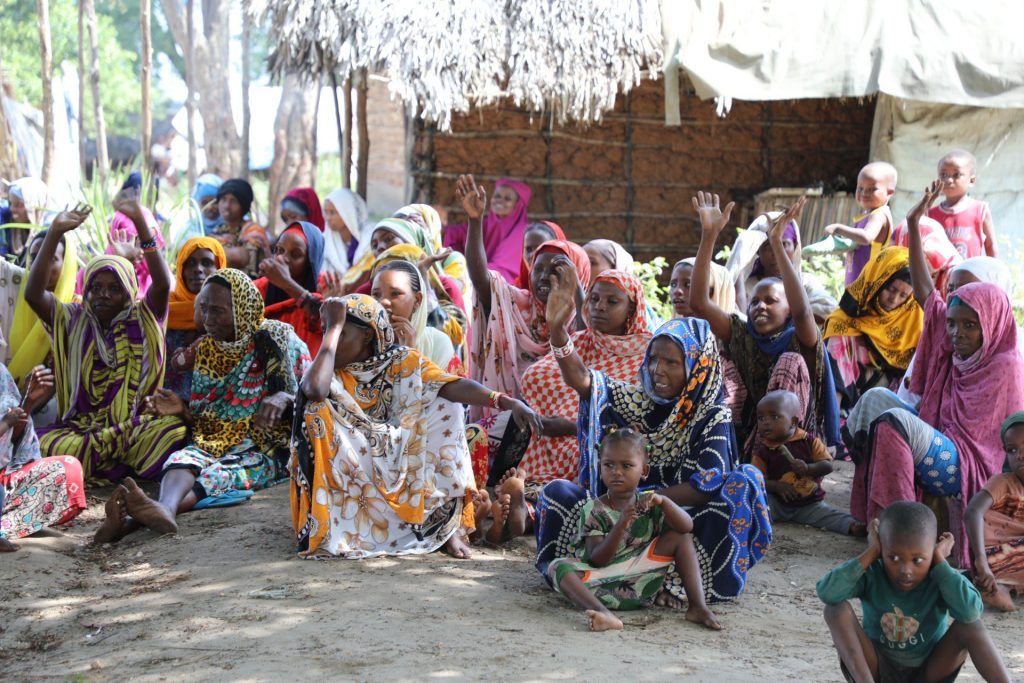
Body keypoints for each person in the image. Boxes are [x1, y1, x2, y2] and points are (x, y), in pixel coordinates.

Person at [535, 263, 771, 604]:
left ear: (696, 367)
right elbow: (585, 383)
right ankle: (598, 575)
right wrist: (558, 331)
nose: (658, 370)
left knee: (741, 486)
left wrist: (647, 500)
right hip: (620, 514)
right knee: (558, 493)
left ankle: (672, 584)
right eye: (653, 360)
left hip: (672, 520)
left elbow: (704, 487)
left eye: (672, 363)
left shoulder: (712, 415)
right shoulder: (640, 400)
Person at [850, 182, 1024, 568]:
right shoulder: (957, 342)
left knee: (893, 423)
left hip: (969, 466)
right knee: (876, 407)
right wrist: (914, 225)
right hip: (943, 441)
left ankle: (903, 534)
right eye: (953, 324)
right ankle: (875, 522)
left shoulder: (1005, 364)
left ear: (990, 323)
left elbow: (996, 449)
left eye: (969, 326)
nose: (956, 334)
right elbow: (926, 295)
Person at [290, 294, 543, 559]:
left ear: (367, 335)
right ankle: (340, 529)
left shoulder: (401, 361)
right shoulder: (329, 371)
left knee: (447, 406)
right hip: (355, 464)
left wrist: (506, 401)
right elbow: (314, 390)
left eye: (340, 333)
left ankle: (444, 526)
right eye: (327, 332)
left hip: (399, 457)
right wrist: (333, 328)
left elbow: (451, 385)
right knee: (315, 411)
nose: (330, 340)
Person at [93, 269, 311, 543]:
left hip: (270, 449)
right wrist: (183, 410)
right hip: (218, 442)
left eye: (218, 311)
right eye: (204, 309)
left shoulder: (279, 339)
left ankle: (133, 521)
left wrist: (286, 398)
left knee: (220, 473)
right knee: (182, 458)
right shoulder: (208, 349)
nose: (208, 319)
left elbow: (315, 396)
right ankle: (162, 509)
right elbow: (210, 423)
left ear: (243, 308)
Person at [26, 196, 188, 483]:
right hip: (80, 430)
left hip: (133, 427)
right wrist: (54, 232)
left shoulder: (144, 318)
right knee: (45, 443)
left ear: (128, 291)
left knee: (171, 431)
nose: (104, 294)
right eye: (96, 287)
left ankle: (96, 461)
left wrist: (140, 222)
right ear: (86, 290)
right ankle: (110, 460)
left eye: (114, 288)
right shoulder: (72, 319)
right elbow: (33, 295)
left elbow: (163, 283)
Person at [690, 192, 840, 458]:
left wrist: (777, 244)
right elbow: (700, 304)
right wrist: (709, 235)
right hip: (755, 438)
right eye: (755, 302)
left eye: (771, 301)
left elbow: (804, 311)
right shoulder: (742, 333)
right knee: (718, 359)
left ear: (788, 310)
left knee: (790, 362)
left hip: (799, 445)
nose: (760, 306)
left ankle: (775, 454)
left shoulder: (800, 337)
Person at [818, 502, 1010, 683]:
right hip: (876, 668)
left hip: (928, 671)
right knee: (835, 610)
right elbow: (827, 592)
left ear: (932, 551)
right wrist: (872, 552)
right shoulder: (874, 572)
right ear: (882, 548)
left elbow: (971, 613)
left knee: (971, 626)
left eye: (918, 560)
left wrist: (940, 562)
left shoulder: (940, 576)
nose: (906, 570)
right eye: (893, 557)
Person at [548, 429, 719, 632]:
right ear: (600, 467)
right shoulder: (594, 509)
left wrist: (664, 502)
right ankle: (603, 613)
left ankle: (698, 607)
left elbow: (686, 527)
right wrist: (621, 525)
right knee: (558, 567)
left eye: (626, 465)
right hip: (601, 585)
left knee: (680, 537)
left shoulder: (650, 503)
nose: (616, 472)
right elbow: (597, 560)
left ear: (644, 471)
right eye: (608, 465)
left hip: (641, 585)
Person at [456, 174, 590, 417]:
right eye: (538, 268)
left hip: (563, 420)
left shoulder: (580, 317)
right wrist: (475, 222)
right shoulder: (516, 303)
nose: (544, 277)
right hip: (507, 416)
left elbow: (587, 348)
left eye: (556, 269)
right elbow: (480, 278)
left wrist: (577, 289)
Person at [753, 391, 863, 537]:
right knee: (755, 508)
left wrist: (808, 469)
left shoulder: (809, 442)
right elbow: (757, 480)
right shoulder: (762, 451)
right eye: (761, 418)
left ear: (793, 422)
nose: (766, 422)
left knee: (828, 515)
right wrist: (777, 486)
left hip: (808, 503)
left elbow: (827, 465)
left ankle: (852, 526)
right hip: (777, 504)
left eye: (775, 417)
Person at [1, 364, 86, 551]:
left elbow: (12, 440)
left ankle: (6, 524)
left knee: (68, 469)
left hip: (4, 481)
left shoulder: (0, 373)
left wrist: (28, 401)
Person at [823, 246, 923, 405]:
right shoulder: (844, 319)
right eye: (891, 289)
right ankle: (834, 411)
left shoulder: (914, 319)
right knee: (839, 335)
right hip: (846, 393)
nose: (894, 299)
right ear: (877, 280)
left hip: (883, 399)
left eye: (903, 295)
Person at [668, 256, 746, 423]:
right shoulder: (671, 334)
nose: (677, 291)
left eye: (688, 284)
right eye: (673, 284)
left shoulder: (734, 334)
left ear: (712, 290)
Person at [965, 412, 1024, 613]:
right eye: (1012, 450)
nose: (1019, 455)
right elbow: (973, 511)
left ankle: (1001, 590)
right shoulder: (1003, 482)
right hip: (990, 560)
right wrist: (980, 559)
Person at [163, 237, 227, 399]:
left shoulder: (232, 312)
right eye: (190, 263)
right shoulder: (164, 307)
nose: (198, 269)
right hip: (165, 400)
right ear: (180, 269)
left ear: (220, 268)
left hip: (213, 404)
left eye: (207, 263)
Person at [370, 260, 456, 372]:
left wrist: (409, 355)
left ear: (417, 300)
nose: (383, 302)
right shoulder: (363, 342)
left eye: (395, 293)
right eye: (376, 294)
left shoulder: (437, 343)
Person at [255, 221, 325, 357]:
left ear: (310, 261)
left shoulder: (324, 287)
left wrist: (286, 282)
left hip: (307, 366)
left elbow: (326, 322)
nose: (283, 258)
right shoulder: (259, 287)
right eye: (279, 250)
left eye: (295, 254)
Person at [443, 177, 532, 283]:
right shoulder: (487, 223)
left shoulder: (523, 233)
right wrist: (438, 224)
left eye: (507, 199)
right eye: (497, 196)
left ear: (518, 205)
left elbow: (500, 272)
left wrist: (462, 269)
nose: (500, 201)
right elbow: (457, 234)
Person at [822, 162, 897, 286]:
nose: (864, 193)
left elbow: (866, 237)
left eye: (872, 189)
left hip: (868, 284)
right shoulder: (867, 214)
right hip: (857, 284)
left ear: (889, 193)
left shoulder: (879, 215)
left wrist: (838, 228)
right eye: (860, 188)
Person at [928, 149, 997, 259]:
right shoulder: (930, 214)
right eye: (943, 174)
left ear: (972, 181)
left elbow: (990, 245)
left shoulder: (980, 210)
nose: (949, 180)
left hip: (970, 270)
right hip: (941, 271)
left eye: (956, 175)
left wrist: (994, 269)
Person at [212, 178, 270, 278]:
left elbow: (250, 266)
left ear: (243, 205)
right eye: (224, 199)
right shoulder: (216, 231)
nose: (227, 205)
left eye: (233, 201)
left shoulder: (254, 231)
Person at [321, 188, 369, 280]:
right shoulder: (325, 242)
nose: (328, 218)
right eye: (326, 212)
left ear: (347, 212)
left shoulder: (368, 240)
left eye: (332, 212)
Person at [1, 177, 49, 260]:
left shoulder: (48, 232)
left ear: (35, 206)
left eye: (18, 205)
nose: (12, 209)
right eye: (10, 203)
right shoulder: (5, 221)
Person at [513, 222, 564, 289]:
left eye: (541, 248)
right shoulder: (515, 291)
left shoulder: (573, 288)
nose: (533, 255)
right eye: (528, 249)